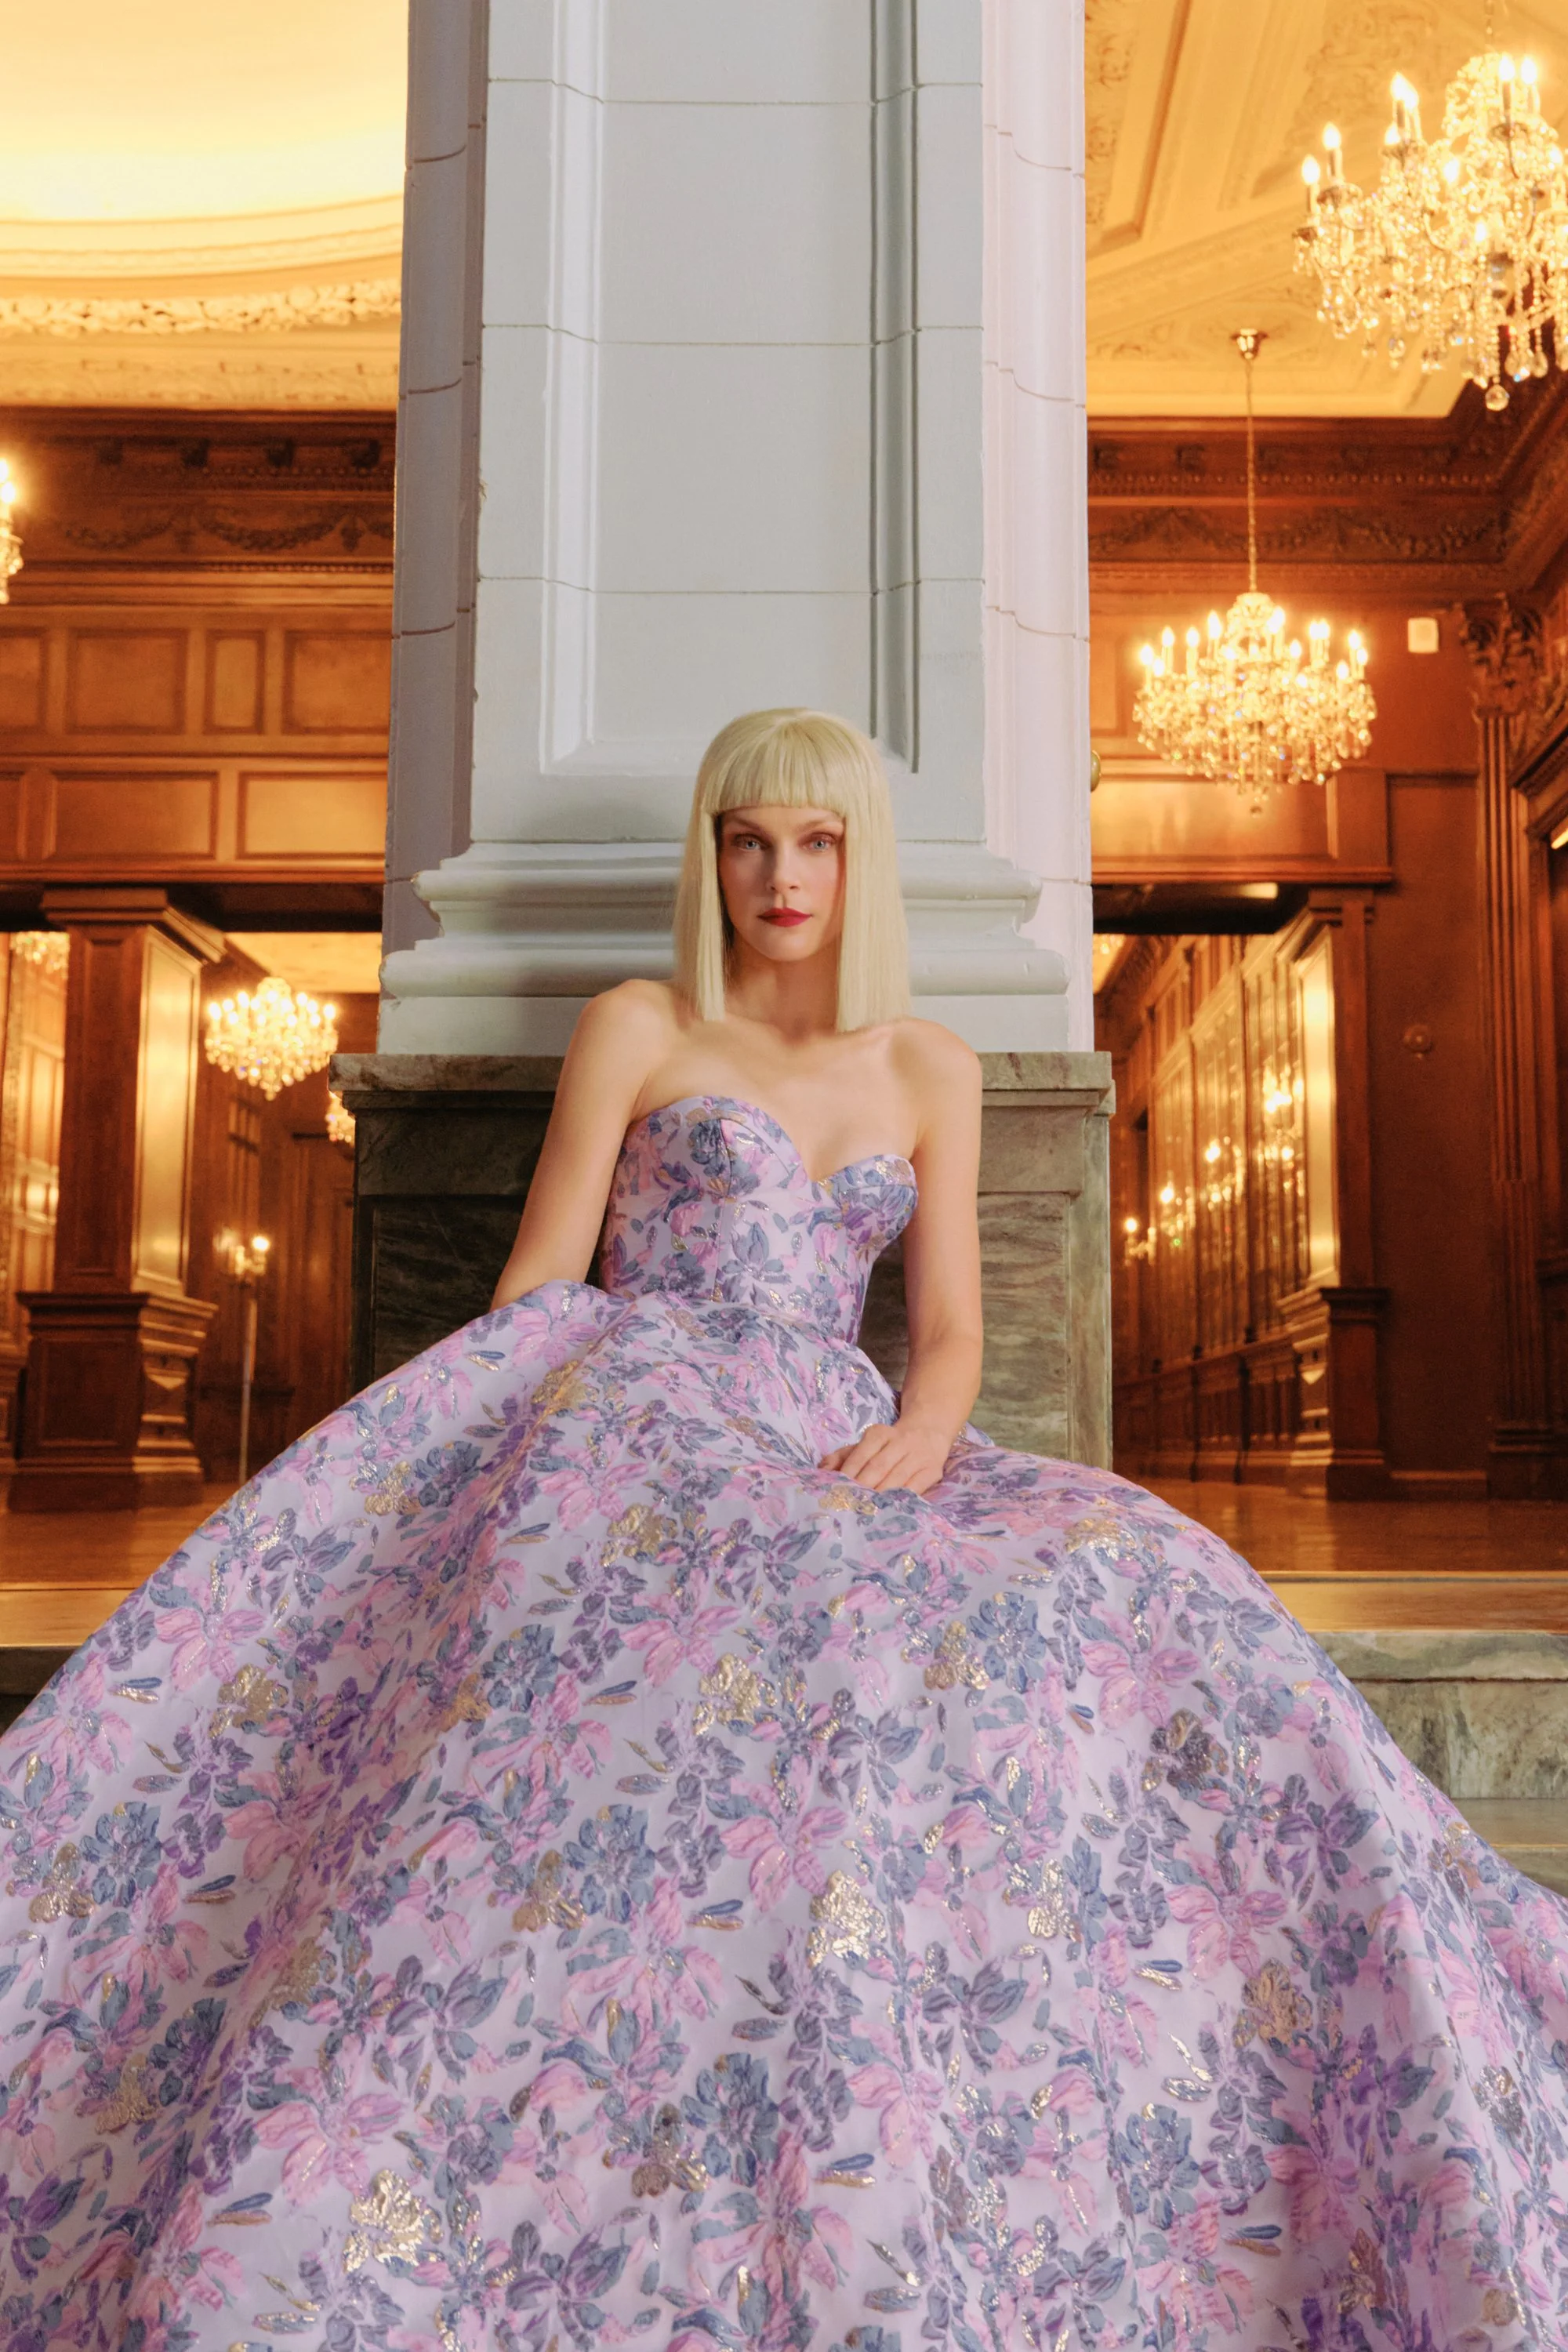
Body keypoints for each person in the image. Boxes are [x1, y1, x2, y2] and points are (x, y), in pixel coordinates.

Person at [0, 710, 1563, 2352]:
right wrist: (536, 1440)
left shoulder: (926, 1065)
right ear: (711, 854)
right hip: (643, 1395)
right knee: (765, 1604)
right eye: (747, 839)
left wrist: (921, 1436)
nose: (779, 874)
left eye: (814, 842)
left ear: (857, 861)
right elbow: (540, 1279)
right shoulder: (638, 1025)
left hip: (844, 1417)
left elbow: (945, 1326)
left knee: (1132, 1566)